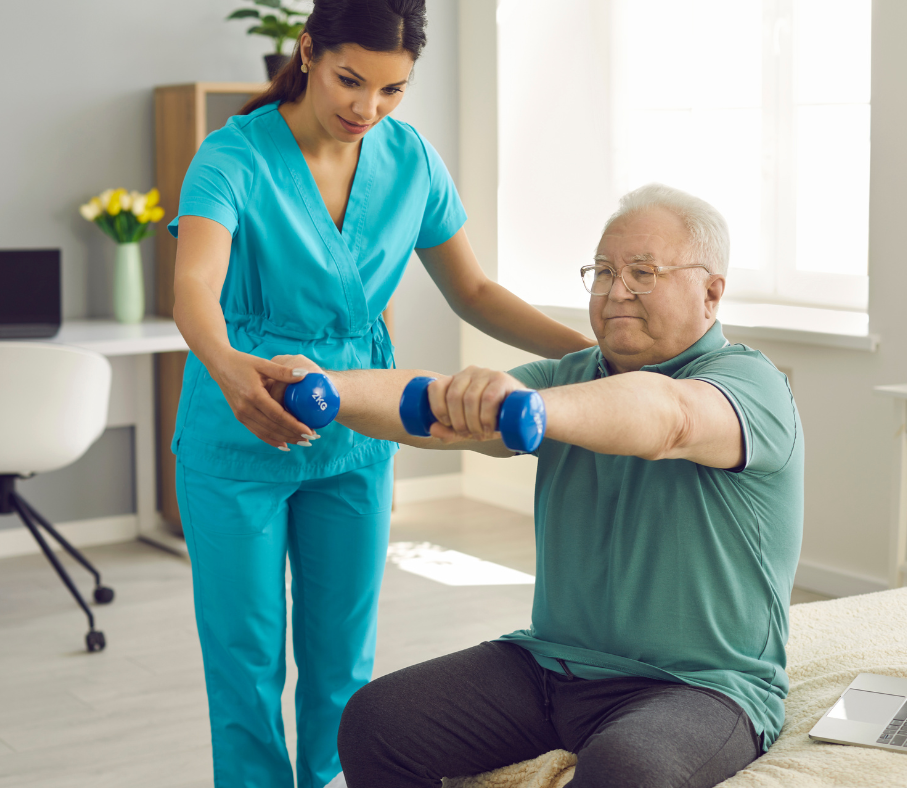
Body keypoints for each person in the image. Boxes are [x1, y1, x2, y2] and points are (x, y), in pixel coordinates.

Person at [169, 1, 593, 786]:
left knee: (343, 659)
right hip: (239, 437)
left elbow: (474, 290)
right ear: (308, 53)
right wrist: (229, 368)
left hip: (359, 433)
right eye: (350, 80)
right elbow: (194, 285)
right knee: (245, 662)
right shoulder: (232, 156)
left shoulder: (412, 161)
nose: (367, 108)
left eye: (393, 89)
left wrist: (594, 358)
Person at [271, 183, 804, 787]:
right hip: (550, 664)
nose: (616, 289)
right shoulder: (568, 376)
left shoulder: (748, 384)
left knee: (629, 769)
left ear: (711, 292)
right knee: (376, 721)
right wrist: (331, 388)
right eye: (602, 271)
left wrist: (533, 410)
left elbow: (667, 417)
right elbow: (438, 411)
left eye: (644, 272)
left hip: (702, 686)